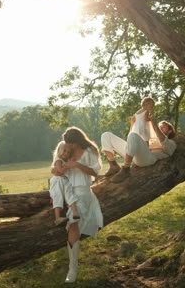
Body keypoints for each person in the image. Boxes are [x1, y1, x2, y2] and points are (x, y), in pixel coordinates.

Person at [54, 126, 103, 283]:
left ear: (76, 141)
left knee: (73, 223)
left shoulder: (89, 151)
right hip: (66, 187)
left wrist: (76, 165)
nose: (68, 146)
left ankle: (73, 269)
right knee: (56, 184)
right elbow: (55, 168)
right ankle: (72, 265)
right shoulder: (65, 149)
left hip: (82, 190)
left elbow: (96, 172)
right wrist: (60, 169)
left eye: (70, 143)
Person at [101, 115, 176, 183]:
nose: (160, 128)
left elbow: (163, 140)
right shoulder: (150, 137)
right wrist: (132, 124)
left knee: (134, 136)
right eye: (159, 126)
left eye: (163, 127)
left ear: (170, 131)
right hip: (134, 155)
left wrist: (155, 125)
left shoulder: (171, 143)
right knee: (106, 135)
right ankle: (113, 165)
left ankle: (126, 168)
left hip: (148, 158)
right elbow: (131, 140)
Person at [49, 140, 80, 226]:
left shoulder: (65, 160)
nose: (66, 153)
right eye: (64, 151)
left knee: (69, 194)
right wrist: (67, 165)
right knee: (57, 196)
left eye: (68, 152)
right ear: (59, 150)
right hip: (58, 180)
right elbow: (60, 171)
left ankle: (75, 212)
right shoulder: (58, 160)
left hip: (65, 181)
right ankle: (57, 218)